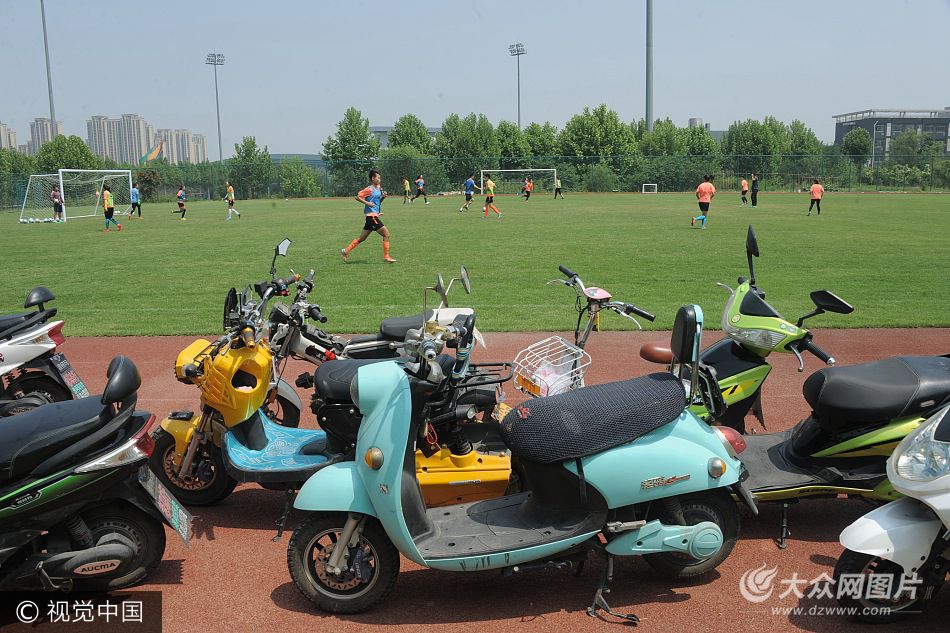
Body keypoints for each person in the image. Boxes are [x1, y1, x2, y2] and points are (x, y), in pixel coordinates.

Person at [340, 169, 396, 264]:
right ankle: (387, 256)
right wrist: (367, 203)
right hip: (372, 217)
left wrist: (383, 197)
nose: (380, 180)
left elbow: (376, 203)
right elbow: (357, 197)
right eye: (378, 178)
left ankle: (345, 251)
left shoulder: (378, 189)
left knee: (362, 238)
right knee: (386, 234)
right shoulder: (369, 189)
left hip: (372, 217)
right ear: (373, 178)